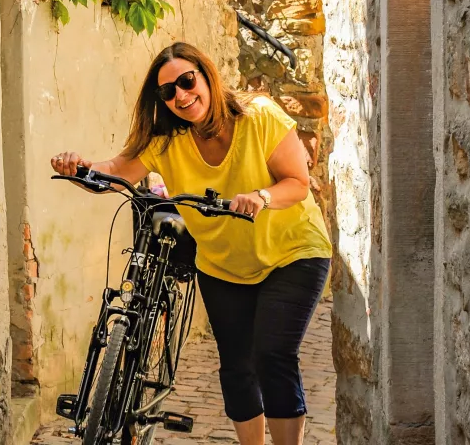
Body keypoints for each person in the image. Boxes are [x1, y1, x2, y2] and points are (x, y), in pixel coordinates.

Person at [50, 42, 332, 445]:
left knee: (271, 354)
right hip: (223, 264)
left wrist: (261, 197)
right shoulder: (167, 141)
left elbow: (298, 184)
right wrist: (81, 169)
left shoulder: (259, 117)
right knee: (236, 366)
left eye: (187, 81)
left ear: (206, 75)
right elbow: (117, 170)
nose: (181, 96)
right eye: (168, 92)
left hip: (292, 252)